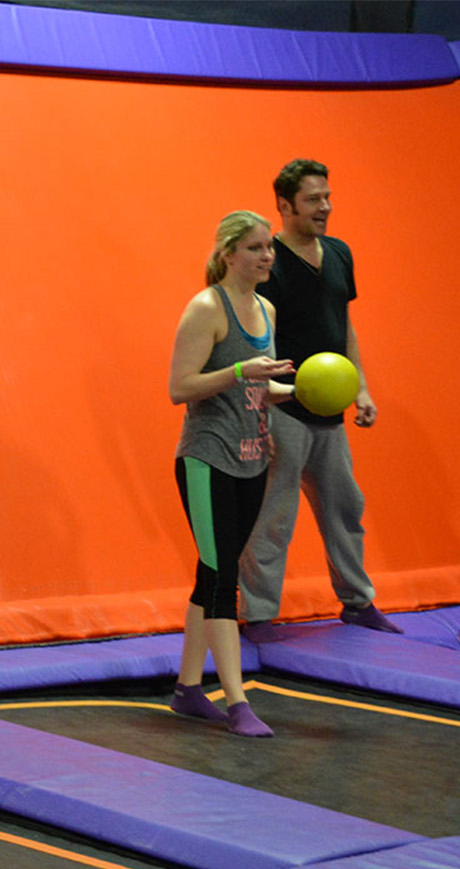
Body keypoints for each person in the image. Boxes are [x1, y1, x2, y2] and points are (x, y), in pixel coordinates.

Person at [239, 159, 401, 641]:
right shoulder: (269, 263)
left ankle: (357, 602)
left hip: (331, 410)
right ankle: (260, 614)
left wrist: (361, 387)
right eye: (313, 200)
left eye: (327, 197)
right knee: (274, 516)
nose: (324, 207)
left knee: (345, 507)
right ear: (285, 206)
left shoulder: (339, 253)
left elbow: (342, 325)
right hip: (283, 410)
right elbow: (254, 337)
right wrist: (259, 411)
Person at [168, 211, 295, 738]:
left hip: (252, 457)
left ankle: (187, 689)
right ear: (228, 254)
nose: (266, 256)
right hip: (208, 458)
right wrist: (241, 370)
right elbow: (180, 387)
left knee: (211, 573)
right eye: (255, 248)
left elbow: (259, 388)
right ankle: (238, 702)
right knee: (223, 581)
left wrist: (300, 390)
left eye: (269, 247)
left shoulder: (264, 308)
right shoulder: (205, 308)